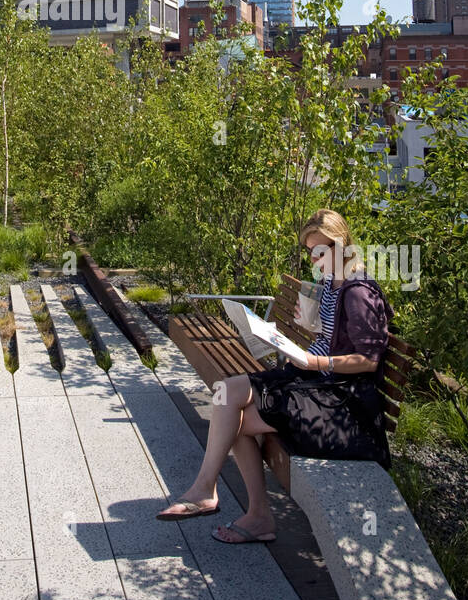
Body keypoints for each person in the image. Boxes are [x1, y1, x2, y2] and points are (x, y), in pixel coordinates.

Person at [155, 209, 394, 543]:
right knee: (227, 393)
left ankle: (244, 510)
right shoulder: (332, 280)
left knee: (232, 419)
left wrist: (313, 360)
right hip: (314, 378)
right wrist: (310, 326)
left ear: (342, 246)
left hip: (341, 401)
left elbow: (368, 360)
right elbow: (334, 333)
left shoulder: (358, 291)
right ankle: (214, 493)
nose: (315, 258)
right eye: (311, 251)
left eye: (321, 250)